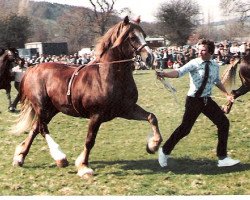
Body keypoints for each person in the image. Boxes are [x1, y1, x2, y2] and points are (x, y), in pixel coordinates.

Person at [156, 39, 240, 168]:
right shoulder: (194, 63)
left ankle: (222, 158)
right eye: (199, 49)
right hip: (193, 101)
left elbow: (217, 81)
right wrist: (164, 74)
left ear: (211, 52)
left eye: (203, 50)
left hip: (207, 100)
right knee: (185, 129)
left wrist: (227, 95)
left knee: (223, 123)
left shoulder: (214, 65)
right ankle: (164, 151)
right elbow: (179, 72)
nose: (200, 52)